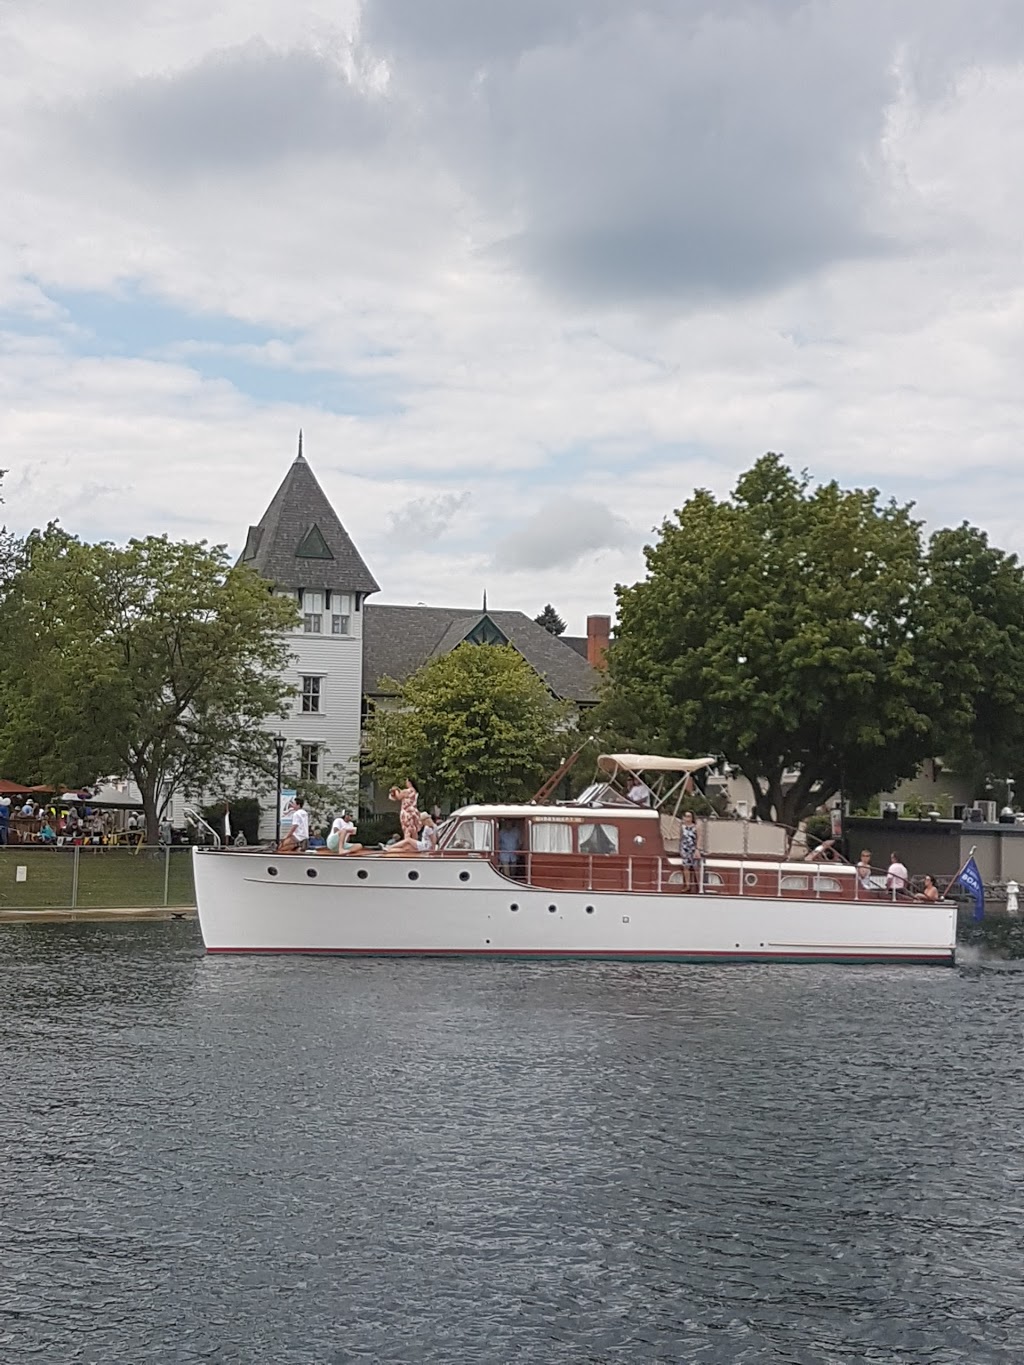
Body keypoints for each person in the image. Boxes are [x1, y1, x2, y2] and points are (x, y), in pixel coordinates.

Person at [678, 809, 701, 892]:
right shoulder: (682, 827)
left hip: (693, 848)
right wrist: (680, 848)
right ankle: (687, 885)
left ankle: (699, 885)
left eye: (689, 816)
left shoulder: (696, 827)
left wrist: (697, 849)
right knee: (686, 866)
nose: (687, 818)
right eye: (686, 816)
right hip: (685, 848)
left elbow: (699, 838)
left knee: (696, 867)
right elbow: (681, 837)